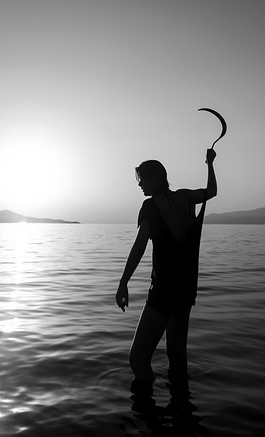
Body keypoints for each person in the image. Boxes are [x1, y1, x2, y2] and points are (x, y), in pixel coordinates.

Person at [115, 148, 217, 392]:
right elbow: (211, 192)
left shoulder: (150, 207)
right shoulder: (184, 198)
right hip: (185, 289)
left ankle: (146, 411)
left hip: (163, 291)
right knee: (177, 357)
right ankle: (181, 410)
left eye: (143, 180)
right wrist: (210, 164)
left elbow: (139, 247)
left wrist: (123, 282)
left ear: (156, 178)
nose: (140, 185)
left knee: (138, 359)